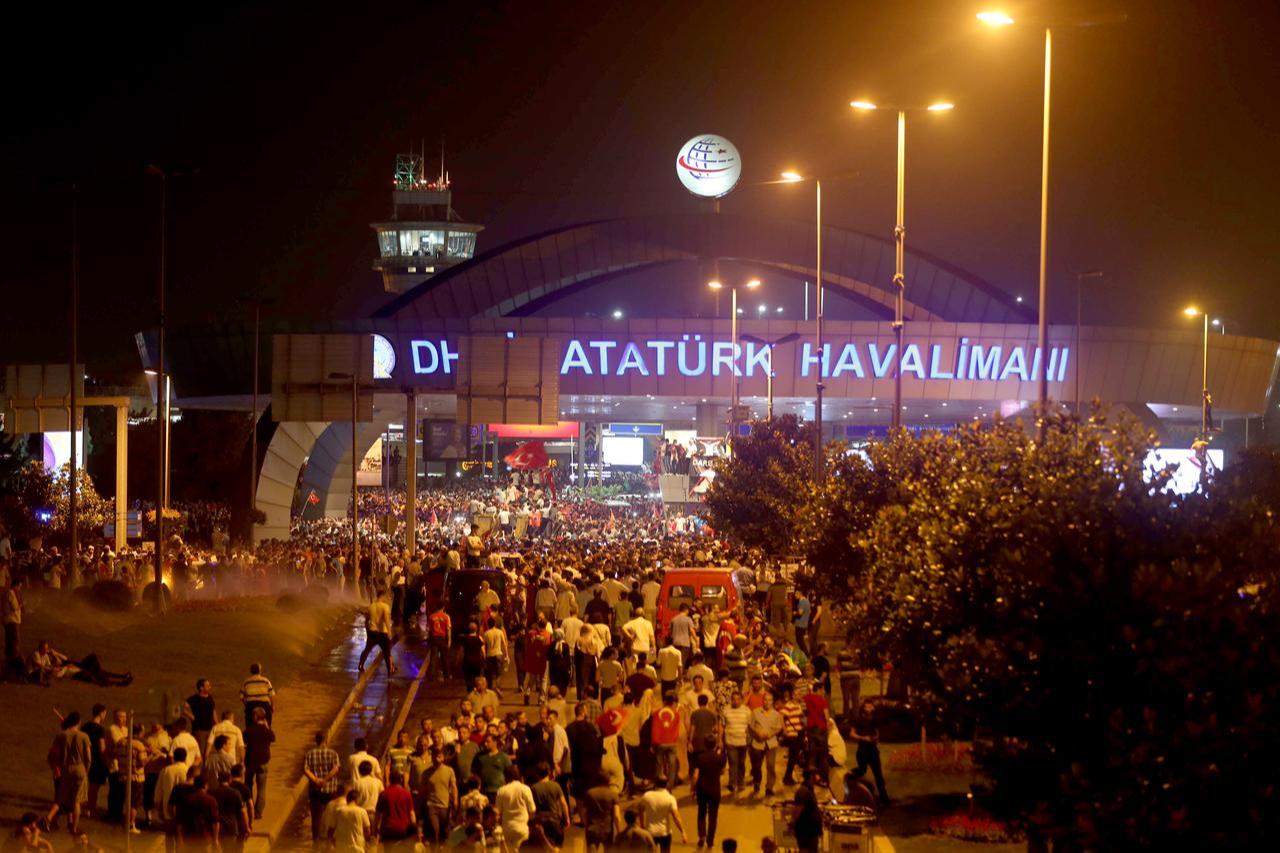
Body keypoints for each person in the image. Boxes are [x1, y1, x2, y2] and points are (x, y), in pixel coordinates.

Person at [45, 711, 91, 835]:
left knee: (62, 797)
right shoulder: (84, 736)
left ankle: (49, 818)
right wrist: (86, 770)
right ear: (79, 722)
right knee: (76, 800)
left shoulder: (61, 735)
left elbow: (55, 753)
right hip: (79, 768)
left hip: (65, 769)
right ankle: (74, 828)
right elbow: (88, 757)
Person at [304, 731, 342, 842]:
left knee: (316, 817)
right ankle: (329, 839)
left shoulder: (310, 754)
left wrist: (316, 780)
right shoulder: (333, 754)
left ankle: (316, 839)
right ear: (326, 740)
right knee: (331, 815)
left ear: (316, 740)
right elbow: (335, 769)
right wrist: (325, 780)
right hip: (330, 790)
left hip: (315, 790)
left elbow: (306, 770)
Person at [848, 700, 889, 803]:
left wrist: (875, 737)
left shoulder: (875, 719)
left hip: (873, 750)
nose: (871, 707)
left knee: (878, 774)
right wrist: (863, 738)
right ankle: (850, 779)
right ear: (864, 709)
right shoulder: (858, 720)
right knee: (862, 770)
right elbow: (851, 734)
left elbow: (877, 732)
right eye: (868, 706)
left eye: (871, 706)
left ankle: (884, 798)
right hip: (863, 750)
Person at [420, 747, 458, 847]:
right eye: (434, 756)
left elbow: (453, 787)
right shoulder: (426, 773)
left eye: (439, 756)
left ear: (443, 757)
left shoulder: (449, 771)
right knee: (434, 830)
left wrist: (455, 801)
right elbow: (423, 790)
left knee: (444, 833)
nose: (437, 758)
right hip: (431, 805)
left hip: (445, 805)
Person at [692, 734, 725, 849]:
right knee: (713, 816)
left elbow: (696, 776)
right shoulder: (719, 758)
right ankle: (710, 841)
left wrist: (693, 788)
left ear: (705, 744)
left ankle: (701, 836)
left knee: (701, 813)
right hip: (715, 790)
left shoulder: (700, 757)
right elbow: (722, 772)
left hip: (702, 789)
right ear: (715, 744)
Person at [749, 690, 783, 796]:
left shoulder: (776, 715)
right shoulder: (755, 712)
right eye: (765, 700)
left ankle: (769, 787)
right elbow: (750, 725)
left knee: (771, 765)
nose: (767, 702)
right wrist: (757, 732)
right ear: (762, 701)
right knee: (757, 766)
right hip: (757, 744)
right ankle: (757, 782)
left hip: (771, 743)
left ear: (772, 702)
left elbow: (779, 728)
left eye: (769, 700)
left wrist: (771, 734)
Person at [639, 778, 688, 851]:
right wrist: (682, 831)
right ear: (667, 785)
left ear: (655, 784)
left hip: (650, 832)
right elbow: (676, 817)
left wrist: (642, 826)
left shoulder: (646, 796)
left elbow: (640, 811)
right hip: (665, 833)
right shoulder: (670, 798)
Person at [494, 764, 535, 851]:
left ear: (506, 777)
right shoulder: (525, 789)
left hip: (507, 829)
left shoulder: (501, 790)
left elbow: (497, 812)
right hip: (522, 828)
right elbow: (532, 810)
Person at [243, 706, 274, 819]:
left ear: (256, 717)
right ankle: (258, 812)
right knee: (262, 788)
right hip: (263, 761)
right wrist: (267, 727)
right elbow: (273, 737)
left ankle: (249, 807)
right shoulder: (266, 731)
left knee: (248, 785)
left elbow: (244, 740)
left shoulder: (250, 730)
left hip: (250, 761)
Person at [375, 770, 419, 848]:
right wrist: (414, 829)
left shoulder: (384, 793)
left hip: (388, 828)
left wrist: (375, 829)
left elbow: (378, 814)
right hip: (404, 828)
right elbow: (411, 813)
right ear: (401, 780)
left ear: (390, 779)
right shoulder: (406, 794)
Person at [359, 588, 396, 676]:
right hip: (382, 633)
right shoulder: (385, 607)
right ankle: (390, 671)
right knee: (387, 653)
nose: (387, 598)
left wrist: (368, 630)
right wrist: (390, 632)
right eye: (386, 596)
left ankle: (360, 665)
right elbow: (386, 620)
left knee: (367, 649)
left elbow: (366, 620)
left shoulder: (371, 606)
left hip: (372, 632)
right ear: (382, 596)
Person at [582, 770, 621, 853]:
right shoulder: (613, 795)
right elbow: (617, 816)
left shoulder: (589, 793)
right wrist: (619, 831)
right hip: (607, 830)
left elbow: (584, 812)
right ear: (609, 781)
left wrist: (586, 825)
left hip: (592, 829)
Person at [722, 689, 752, 795]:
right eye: (734, 699)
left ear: (741, 700)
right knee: (732, 763)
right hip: (730, 741)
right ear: (731, 700)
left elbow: (750, 726)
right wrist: (720, 741)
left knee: (741, 763)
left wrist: (749, 737)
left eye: (738, 699)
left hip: (743, 742)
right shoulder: (726, 710)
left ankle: (741, 781)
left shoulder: (747, 711)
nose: (736, 701)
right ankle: (732, 783)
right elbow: (722, 726)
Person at [791, 767, 825, 853]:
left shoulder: (808, 789)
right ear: (811, 776)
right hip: (806, 831)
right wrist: (792, 825)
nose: (818, 776)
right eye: (816, 774)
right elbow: (797, 810)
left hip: (811, 831)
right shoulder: (803, 791)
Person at [330, 789, 372, 853]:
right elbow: (367, 831)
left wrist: (333, 842)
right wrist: (367, 842)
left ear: (347, 799)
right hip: (358, 846)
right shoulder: (362, 811)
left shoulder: (338, 811)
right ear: (357, 799)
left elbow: (330, 830)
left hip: (341, 846)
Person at [183, 678, 216, 752]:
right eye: (207, 685)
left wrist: (216, 723)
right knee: (200, 751)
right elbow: (183, 707)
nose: (209, 687)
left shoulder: (210, 698)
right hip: (199, 730)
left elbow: (213, 711)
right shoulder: (194, 699)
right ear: (201, 688)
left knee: (208, 751)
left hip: (210, 729)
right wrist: (190, 716)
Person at [427, 601, 452, 682]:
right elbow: (448, 629)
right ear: (443, 607)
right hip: (442, 638)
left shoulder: (431, 616)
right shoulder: (446, 617)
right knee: (445, 657)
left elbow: (429, 629)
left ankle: (432, 675)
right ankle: (447, 675)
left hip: (434, 638)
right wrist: (449, 640)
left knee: (433, 657)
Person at [3, 576, 24, 663]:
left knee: (9, 640)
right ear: (15, 585)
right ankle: (14, 659)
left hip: (8, 620)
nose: (19, 589)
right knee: (15, 640)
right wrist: (21, 604)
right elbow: (15, 607)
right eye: (19, 586)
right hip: (12, 620)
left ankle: (8, 658)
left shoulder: (9, 593)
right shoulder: (11, 593)